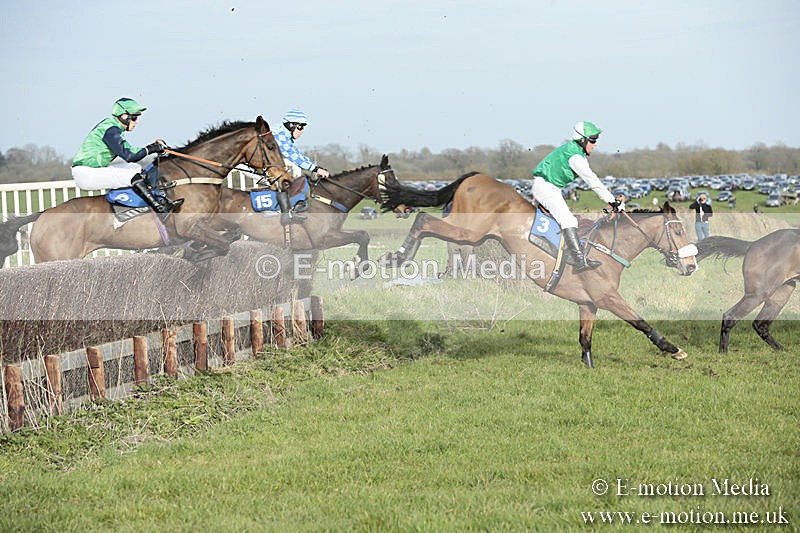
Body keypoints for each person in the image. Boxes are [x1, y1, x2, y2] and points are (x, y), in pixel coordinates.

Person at [532, 121, 620, 271]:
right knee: (568, 219)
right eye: (592, 140)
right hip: (546, 188)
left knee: (569, 219)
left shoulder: (576, 152)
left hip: (549, 187)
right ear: (583, 140)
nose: (595, 144)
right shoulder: (575, 157)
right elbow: (593, 181)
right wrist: (612, 201)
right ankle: (579, 260)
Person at [71, 97, 182, 214]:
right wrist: (152, 148)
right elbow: (129, 155)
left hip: (91, 170)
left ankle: (150, 200)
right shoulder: (111, 130)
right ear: (123, 116)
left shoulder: (112, 126)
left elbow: (131, 155)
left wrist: (152, 147)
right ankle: (159, 207)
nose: (136, 121)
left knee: (135, 168)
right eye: (134, 118)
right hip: (86, 174)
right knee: (132, 174)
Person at [272, 108, 330, 224]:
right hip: (248, 165)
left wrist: (315, 167)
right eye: (301, 126)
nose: (302, 131)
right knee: (284, 180)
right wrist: (315, 169)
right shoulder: (278, 134)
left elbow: (296, 153)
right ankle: (283, 215)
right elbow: (292, 155)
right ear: (291, 124)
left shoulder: (285, 134)